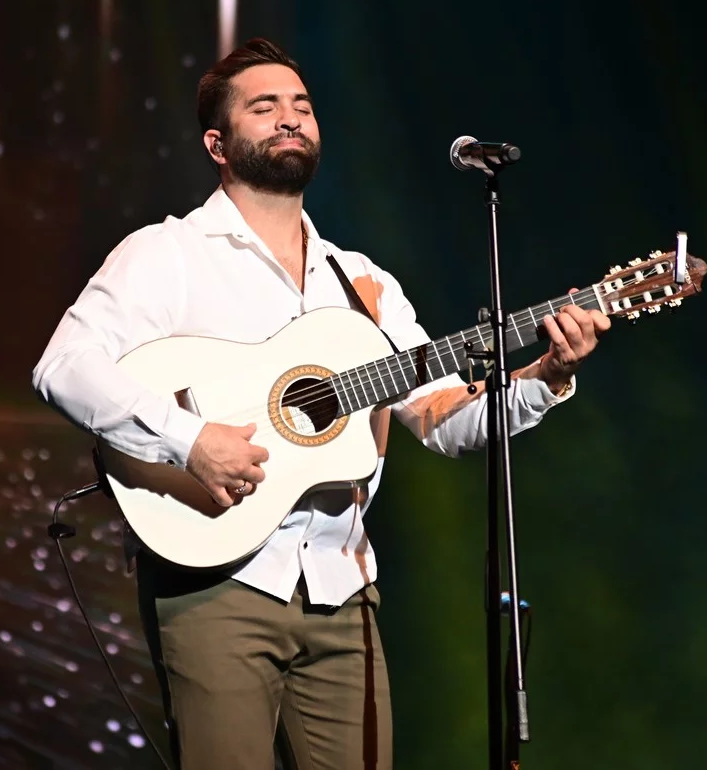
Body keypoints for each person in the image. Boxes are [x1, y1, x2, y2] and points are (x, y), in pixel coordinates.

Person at [32, 38, 610, 770]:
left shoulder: (361, 281)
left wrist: (545, 374)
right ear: (217, 142)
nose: (290, 118)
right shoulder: (165, 254)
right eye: (265, 106)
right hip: (217, 585)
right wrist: (189, 440)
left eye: (302, 105)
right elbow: (63, 367)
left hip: (344, 591)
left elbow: (443, 418)